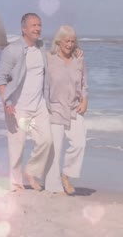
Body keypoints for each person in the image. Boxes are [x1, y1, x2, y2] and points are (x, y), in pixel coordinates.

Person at [0, 13, 53, 192]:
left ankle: (32, 171)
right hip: (18, 107)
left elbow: (60, 53)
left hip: (39, 106)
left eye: (39, 25)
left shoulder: (42, 47)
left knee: (47, 141)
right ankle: (16, 183)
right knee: (17, 148)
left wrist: (76, 52)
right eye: (34, 25)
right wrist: (6, 101)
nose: (38, 28)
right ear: (24, 29)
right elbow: (1, 78)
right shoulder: (12, 50)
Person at [44, 25, 88, 195]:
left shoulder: (79, 60)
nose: (69, 44)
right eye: (66, 41)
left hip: (74, 108)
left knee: (79, 144)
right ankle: (52, 187)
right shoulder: (49, 58)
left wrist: (85, 100)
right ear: (58, 41)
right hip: (55, 108)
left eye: (73, 41)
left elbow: (85, 83)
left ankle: (66, 175)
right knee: (55, 150)